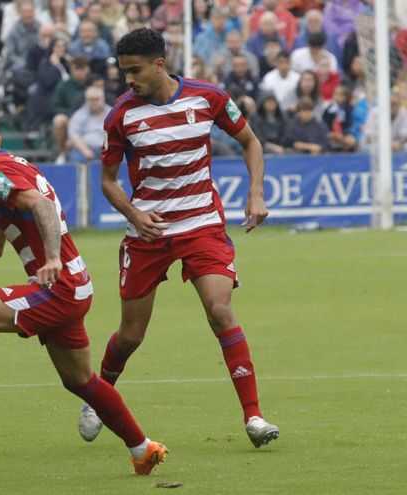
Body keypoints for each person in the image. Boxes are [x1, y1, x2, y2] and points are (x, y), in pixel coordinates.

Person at [0, 105, 168, 475]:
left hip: (59, 285)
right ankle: (142, 448)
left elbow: (40, 205)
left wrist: (51, 258)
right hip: (73, 285)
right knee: (81, 381)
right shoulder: (7, 171)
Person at [79, 29, 279, 449]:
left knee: (220, 309)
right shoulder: (121, 115)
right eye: (123, 72)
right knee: (131, 335)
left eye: (134, 70)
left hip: (202, 224)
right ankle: (99, 397)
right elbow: (109, 181)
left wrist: (256, 192)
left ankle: (254, 416)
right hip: (147, 232)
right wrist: (134, 212)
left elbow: (251, 142)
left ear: (159, 64)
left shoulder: (208, 97)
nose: (128, 79)